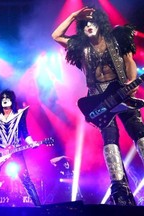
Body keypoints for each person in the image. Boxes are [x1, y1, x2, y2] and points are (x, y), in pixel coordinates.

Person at [51, 6, 144, 206]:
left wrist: (132, 84)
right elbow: (56, 35)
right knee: (110, 141)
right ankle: (120, 189)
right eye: (84, 25)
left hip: (121, 92)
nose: (89, 27)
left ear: (100, 23)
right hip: (98, 99)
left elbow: (129, 61)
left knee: (139, 132)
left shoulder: (116, 38)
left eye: (92, 23)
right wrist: (75, 15)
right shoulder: (80, 47)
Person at [0, 89, 41, 206]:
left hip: (16, 150)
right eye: (2, 98)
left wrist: (32, 143)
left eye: (7, 98)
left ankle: (39, 208)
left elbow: (25, 133)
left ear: (12, 101)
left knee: (26, 180)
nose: (4, 100)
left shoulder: (19, 115)